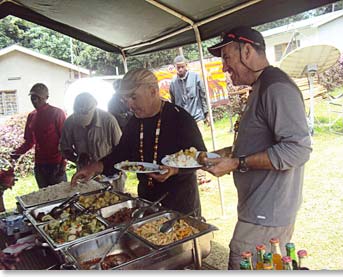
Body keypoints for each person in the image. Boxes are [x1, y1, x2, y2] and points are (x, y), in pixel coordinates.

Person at [204, 26, 312, 269]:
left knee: (243, 262)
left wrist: (238, 162)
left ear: (247, 51)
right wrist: (223, 155)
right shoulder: (262, 86)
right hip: (259, 209)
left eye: (226, 57)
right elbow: (259, 141)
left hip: (267, 213)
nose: (223, 67)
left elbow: (298, 149)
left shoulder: (277, 88)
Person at [71, 68, 206, 215]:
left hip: (180, 202)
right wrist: (95, 167)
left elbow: (200, 157)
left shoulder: (179, 118)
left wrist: (174, 170)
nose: (129, 104)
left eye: (134, 98)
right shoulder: (135, 122)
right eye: (126, 99)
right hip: (147, 201)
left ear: (153, 92)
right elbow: (120, 154)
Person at [59, 92, 125, 191]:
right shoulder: (70, 123)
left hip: (111, 176)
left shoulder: (109, 121)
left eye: (86, 120)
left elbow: (121, 150)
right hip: (85, 176)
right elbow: (64, 148)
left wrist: (103, 165)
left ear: (93, 110)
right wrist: (77, 159)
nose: (83, 126)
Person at [10, 83, 67, 189]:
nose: (35, 100)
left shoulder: (57, 113)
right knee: (44, 197)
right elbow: (29, 142)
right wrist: (17, 153)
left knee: (60, 197)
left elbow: (65, 140)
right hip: (40, 164)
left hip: (56, 164)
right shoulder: (32, 116)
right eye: (33, 97)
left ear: (46, 98)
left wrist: (63, 164)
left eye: (38, 98)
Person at [169, 55, 210, 185]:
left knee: (199, 148)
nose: (180, 69)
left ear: (186, 66)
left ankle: (203, 174)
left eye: (182, 67)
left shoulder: (196, 77)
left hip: (197, 117)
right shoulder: (173, 83)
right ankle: (192, 175)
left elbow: (203, 96)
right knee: (186, 150)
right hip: (182, 123)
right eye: (178, 67)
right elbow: (173, 103)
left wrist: (207, 113)